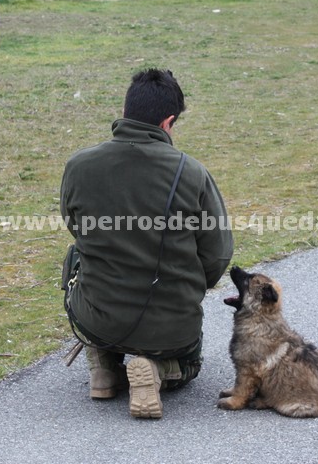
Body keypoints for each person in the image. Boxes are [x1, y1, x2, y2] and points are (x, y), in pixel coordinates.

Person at [60, 68, 234, 419]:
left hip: (98, 317)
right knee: (190, 360)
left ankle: (104, 365)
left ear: (124, 111)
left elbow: (75, 227)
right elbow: (217, 253)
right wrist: (189, 287)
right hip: (171, 328)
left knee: (77, 254)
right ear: (168, 122)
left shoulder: (79, 165)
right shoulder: (192, 172)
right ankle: (156, 371)